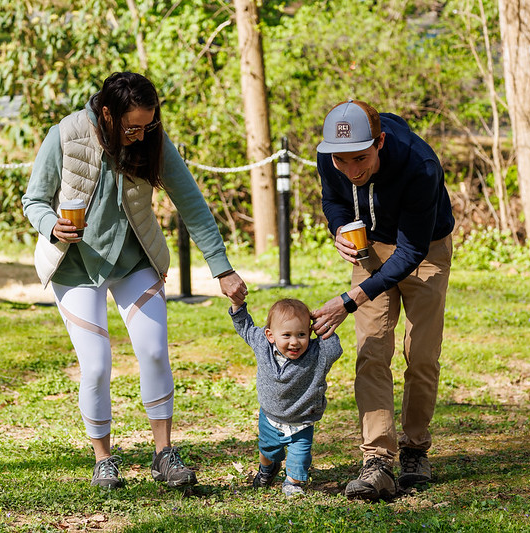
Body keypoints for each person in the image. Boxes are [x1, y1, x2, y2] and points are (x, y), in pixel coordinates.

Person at [23, 72, 247, 490]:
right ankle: (104, 459)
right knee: (95, 364)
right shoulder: (66, 134)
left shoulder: (153, 140)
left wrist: (223, 268)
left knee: (154, 349)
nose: (140, 134)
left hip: (135, 259)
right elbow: (33, 198)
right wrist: (52, 224)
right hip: (74, 265)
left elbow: (193, 205)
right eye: (132, 127)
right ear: (107, 113)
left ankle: (164, 454)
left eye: (147, 125)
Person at [311, 99, 454, 502]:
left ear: (380, 142)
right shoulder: (331, 158)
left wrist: (349, 299)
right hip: (369, 247)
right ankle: (377, 459)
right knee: (372, 351)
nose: (352, 171)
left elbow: (410, 253)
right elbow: (333, 200)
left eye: (361, 158)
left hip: (424, 251)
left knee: (421, 353)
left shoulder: (420, 165)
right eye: (341, 161)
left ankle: (414, 450)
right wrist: (338, 228)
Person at [229, 296, 342, 497]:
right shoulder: (262, 344)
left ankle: (293, 483)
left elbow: (334, 350)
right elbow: (245, 327)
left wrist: (321, 326)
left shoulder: (317, 354)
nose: (294, 342)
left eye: (301, 334)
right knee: (267, 451)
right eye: (287, 335)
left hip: (302, 420)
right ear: (270, 335)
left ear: (309, 333)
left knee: (300, 457)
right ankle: (267, 469)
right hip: (270, 417)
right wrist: (237, 306)